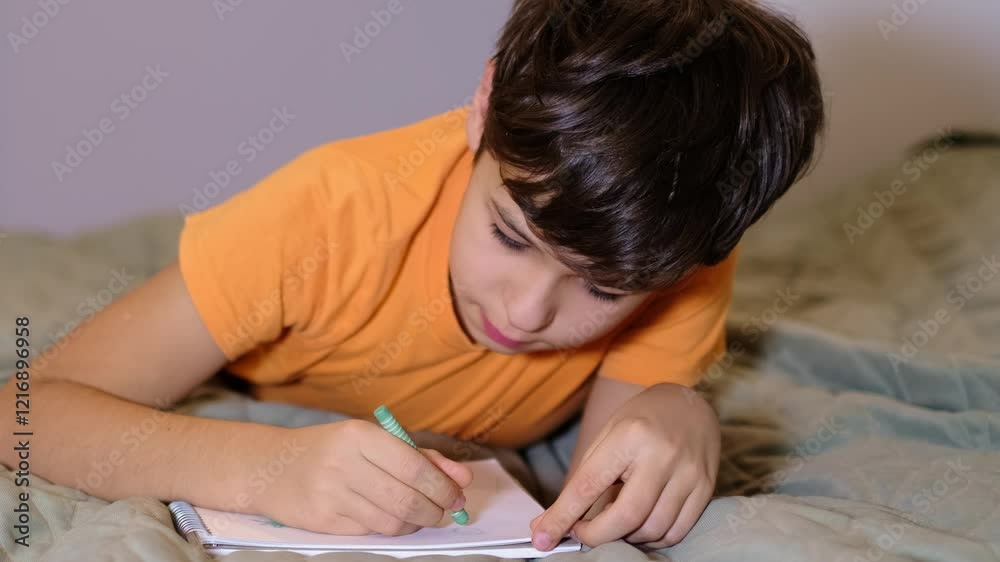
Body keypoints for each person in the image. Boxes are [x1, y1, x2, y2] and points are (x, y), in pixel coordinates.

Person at [1, 0, 824, 552]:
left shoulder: (669, 247)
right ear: (482, 102)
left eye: (603, 289)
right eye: (509, 233)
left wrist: (679, 409)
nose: (527, 308)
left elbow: (597, 497)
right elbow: (23, 415)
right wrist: (264, 469)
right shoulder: (324, 214)